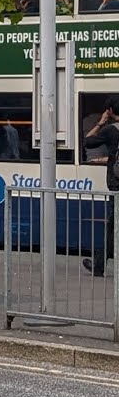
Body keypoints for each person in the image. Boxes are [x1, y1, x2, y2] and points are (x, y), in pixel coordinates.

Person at [81, 96, 119, 277]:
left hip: (117, 185)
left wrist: (101, 122)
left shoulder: (111, 130)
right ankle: (98, 264)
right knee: (113, 226)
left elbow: (87, 141)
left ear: (110, 111)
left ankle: (98, 265)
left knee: (113, 227)